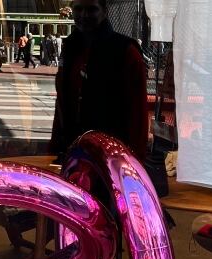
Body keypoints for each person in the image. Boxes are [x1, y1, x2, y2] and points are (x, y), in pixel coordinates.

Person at [50, 0, 148, 163]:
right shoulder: (69, 48)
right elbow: (62, 101)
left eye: (91, 9)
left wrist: (135, 161)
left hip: (111, 158)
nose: (84, 15)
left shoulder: (126, 51)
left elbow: (138, 112)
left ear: (104, 11)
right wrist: (54, 147)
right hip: (71, 151)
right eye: (78, 9)